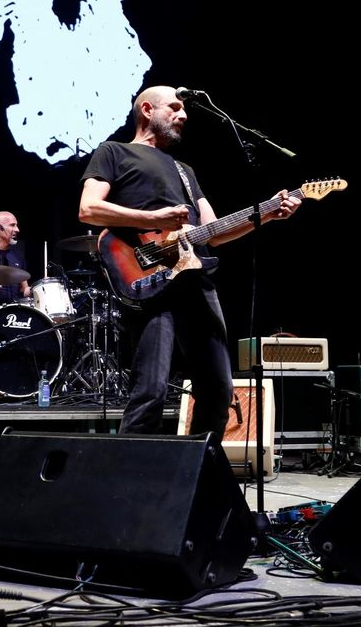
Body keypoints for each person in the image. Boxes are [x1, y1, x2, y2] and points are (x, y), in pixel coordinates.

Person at [77, 85, 300, 438]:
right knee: (150, 390)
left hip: (195, 279)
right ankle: (128, 483)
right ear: (147, 110)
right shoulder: (114, 152)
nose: (183, 115)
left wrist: (267, 214)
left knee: (218, 390)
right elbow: (88, 209)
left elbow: (211, 232)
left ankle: (197, 473)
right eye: (175, 108)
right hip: (148, 279)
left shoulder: (184, 170)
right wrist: (154, 220)